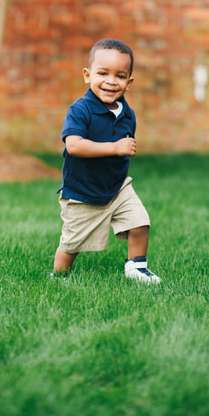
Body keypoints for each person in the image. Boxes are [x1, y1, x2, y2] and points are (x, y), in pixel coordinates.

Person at [52, 37, 160, 283]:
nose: (111, 82)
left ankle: (137, 268)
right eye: (103, 73)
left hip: (117, 187)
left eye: (120, 76)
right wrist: (114, 147)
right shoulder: (80, 110)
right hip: (83, 193)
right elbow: (74, 145)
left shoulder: (127, 114)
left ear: (129, 82)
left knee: (140, 223)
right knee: (72, 244)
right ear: (87, 75)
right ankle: (58, 278)